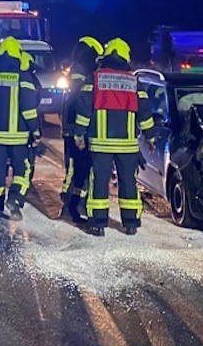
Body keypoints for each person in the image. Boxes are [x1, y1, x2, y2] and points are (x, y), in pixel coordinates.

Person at [73, 38, 155, 236]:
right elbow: (145, 112)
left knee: (99, 182)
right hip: (127, 145)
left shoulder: (94, 78)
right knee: (128, 182)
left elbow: (84, 109)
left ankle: (98, 223)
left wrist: (79, 133)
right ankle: (131, 223)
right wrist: (150, 137)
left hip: (100, 144)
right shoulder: (133, 82)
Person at [0, 38, 40, 220]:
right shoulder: (23, 77)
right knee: (23, 169)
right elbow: (28, 109)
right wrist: (36, 131)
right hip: (18, 135)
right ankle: (15, 199)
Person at [60, 36, 103, 222]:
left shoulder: (78, 70)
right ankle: (70, 206)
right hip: (74, 128)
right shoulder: (80, 72)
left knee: (81, 169)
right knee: (75, 169)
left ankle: (74, 205)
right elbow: (78, 100)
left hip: (74, 127)